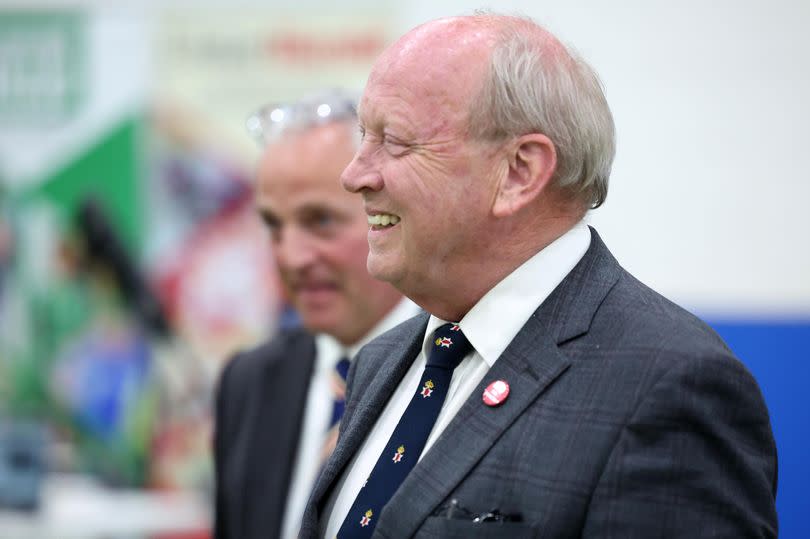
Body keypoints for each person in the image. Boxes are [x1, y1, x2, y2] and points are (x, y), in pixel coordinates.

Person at [301, 15, 778, 539]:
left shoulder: (668, 386)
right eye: (364, 136)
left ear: (520, 172)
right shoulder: (384, 359)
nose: (354, 175)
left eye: (396, 142)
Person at [213, 91, 418, 539]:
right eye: (273, 225)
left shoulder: (451, 376)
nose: (290, 256)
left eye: (320, 221)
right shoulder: (249, 383)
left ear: (386, 215)